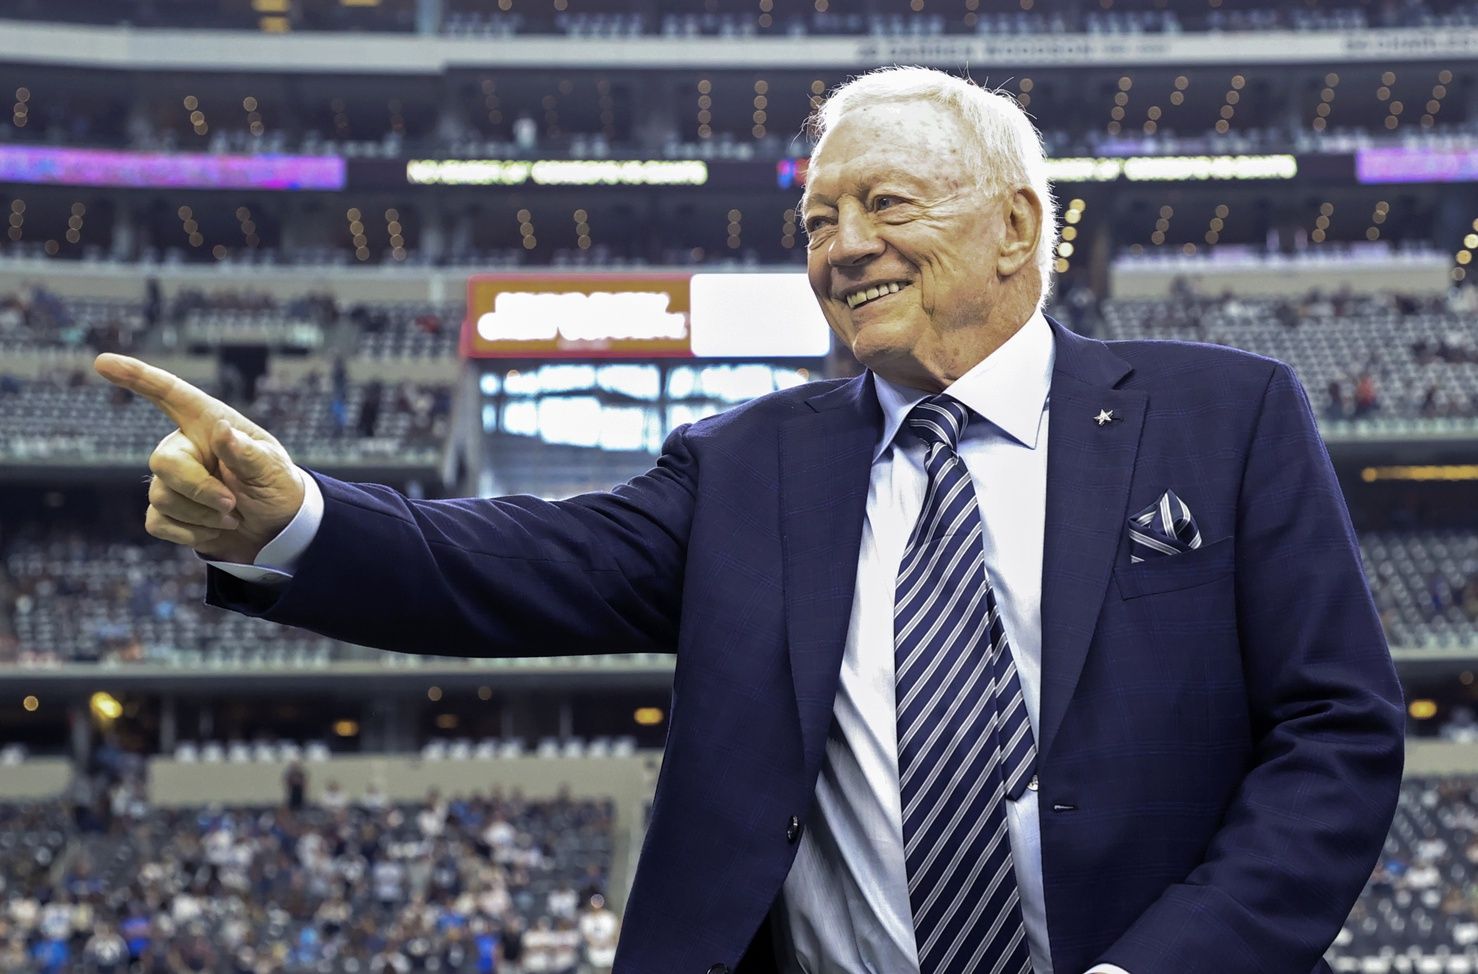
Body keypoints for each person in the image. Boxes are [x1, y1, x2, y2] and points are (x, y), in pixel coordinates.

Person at [96, 66, 1402, 974]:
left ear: (1016, 229)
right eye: (816, 218)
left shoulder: (1223, 415)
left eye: (885, 204)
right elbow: (510, 565)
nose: (838, 247)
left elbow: (1335, 734)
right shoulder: (746, 465)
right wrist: (296, 521)